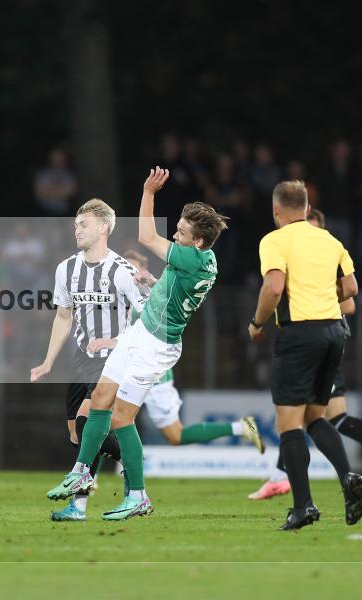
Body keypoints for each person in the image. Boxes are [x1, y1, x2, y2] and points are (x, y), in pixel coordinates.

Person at [46, 166, 229, 521]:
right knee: (100, 398)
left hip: (156, 345)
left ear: (200, 242)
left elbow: (147, 237)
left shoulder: (191, 257)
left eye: (181, 233)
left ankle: (138, 495)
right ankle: (82, 472)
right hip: (140, 333)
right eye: (176, 229)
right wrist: (154, 281)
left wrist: (148, 192)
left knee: (121, 418)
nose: (175, 236)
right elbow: (175, 287)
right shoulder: (203, 260)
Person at [248, 209, 362, 500]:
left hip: (320, 343)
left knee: (309, 416)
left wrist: (312, 301)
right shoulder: (304, 251)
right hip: (322, 341)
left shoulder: (325, 249)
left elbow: (350, 303)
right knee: (317, 417)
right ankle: (283, 475)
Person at [248, 181, 362, 531]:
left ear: (276, 210)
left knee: (289, 424)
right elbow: (352, 288)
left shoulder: (275, 240)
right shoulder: (330, 240)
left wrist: (256, 323)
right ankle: (347, 476)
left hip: (300, 333)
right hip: (335, 332)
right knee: (316, 415)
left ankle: (303, 507)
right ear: (306, 206)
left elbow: (273, 287)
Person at [30, 198, 149, 521]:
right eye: (75, 225)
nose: (77, 229)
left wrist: (115, 340)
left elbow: (148, 319)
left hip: (115, 359)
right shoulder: (66, 269)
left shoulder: (123, 271)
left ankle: (80, 505)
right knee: (77, 432)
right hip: (82, 360)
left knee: (87, 419)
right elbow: (63, 316)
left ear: (104, 228)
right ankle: (132, 465)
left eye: (83, 224)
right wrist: (48, 361)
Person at [95, 250, 264, 453]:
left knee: (175, 435)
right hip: (129, 368)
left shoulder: (153, 298)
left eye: (131, 268)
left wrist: (112, 342)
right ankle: (93, 473)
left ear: (143, 271)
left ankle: (241, 427)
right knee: (104, 414)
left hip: (154, 375)